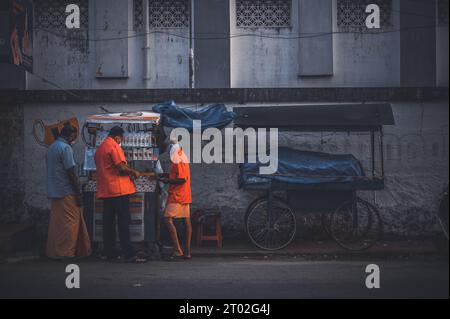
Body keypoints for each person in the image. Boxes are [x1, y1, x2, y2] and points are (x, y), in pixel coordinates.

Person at [94, 126, 145, 263]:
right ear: (118, 137)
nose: (120, 141)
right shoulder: (113, 146)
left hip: (106, 190)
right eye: (121, 139)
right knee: (123, 221)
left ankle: (109, 252)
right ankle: (128, 253)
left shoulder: (100, 148)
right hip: (119, 190)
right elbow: (121, 167)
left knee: (108, 223)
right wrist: (134, 172)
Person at [46, 124, 91, 260]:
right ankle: (66, 252)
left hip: (55, 190)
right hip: (66, 190)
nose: (74, 139)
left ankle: (55, 251)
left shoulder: (52, 147)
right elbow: (70, 172)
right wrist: (78, 193)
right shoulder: (65, 148)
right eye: (74, 136)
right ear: (71, 136)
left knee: (58, 223)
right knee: (71, 222)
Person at [160, 139, 192, 260]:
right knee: (186, 221)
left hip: (178, 195)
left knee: (167, 219)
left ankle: (178, 250)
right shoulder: (180, 156)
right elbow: (178, 175)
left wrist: (167, 180)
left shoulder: (177, 158)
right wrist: (167, 175)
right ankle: (187, 252)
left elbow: (182, 179)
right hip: (184, 194)